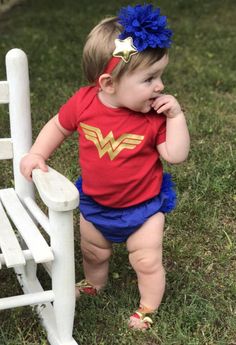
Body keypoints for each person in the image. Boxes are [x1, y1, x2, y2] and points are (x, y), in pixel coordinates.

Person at [20, 4, 190, 330]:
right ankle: (95, 283)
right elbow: (58, 126)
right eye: (150, 78)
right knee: (94, 252)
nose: (159, 86)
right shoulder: (84, 103)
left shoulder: (153, 115)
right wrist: (37, 154)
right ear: (109, 84)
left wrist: (176, 118)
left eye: (160, 76)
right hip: (95, 204)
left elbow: (175, 154)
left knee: (147, 259)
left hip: (142, 209)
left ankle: (147, 306)